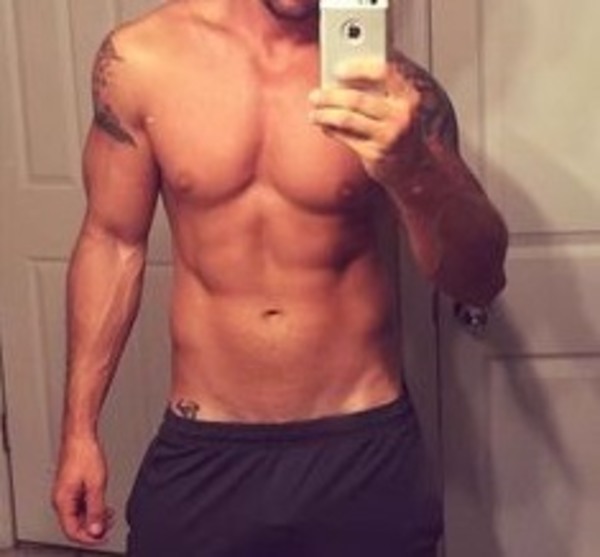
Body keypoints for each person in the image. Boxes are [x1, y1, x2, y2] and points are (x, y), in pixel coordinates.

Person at [52, 0, 508, 555]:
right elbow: (112, 242)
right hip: (206, 445)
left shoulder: (398, 97)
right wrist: (79, 430)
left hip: (361, 448)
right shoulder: (142, 61)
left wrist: (415, 169)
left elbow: (480, 279)